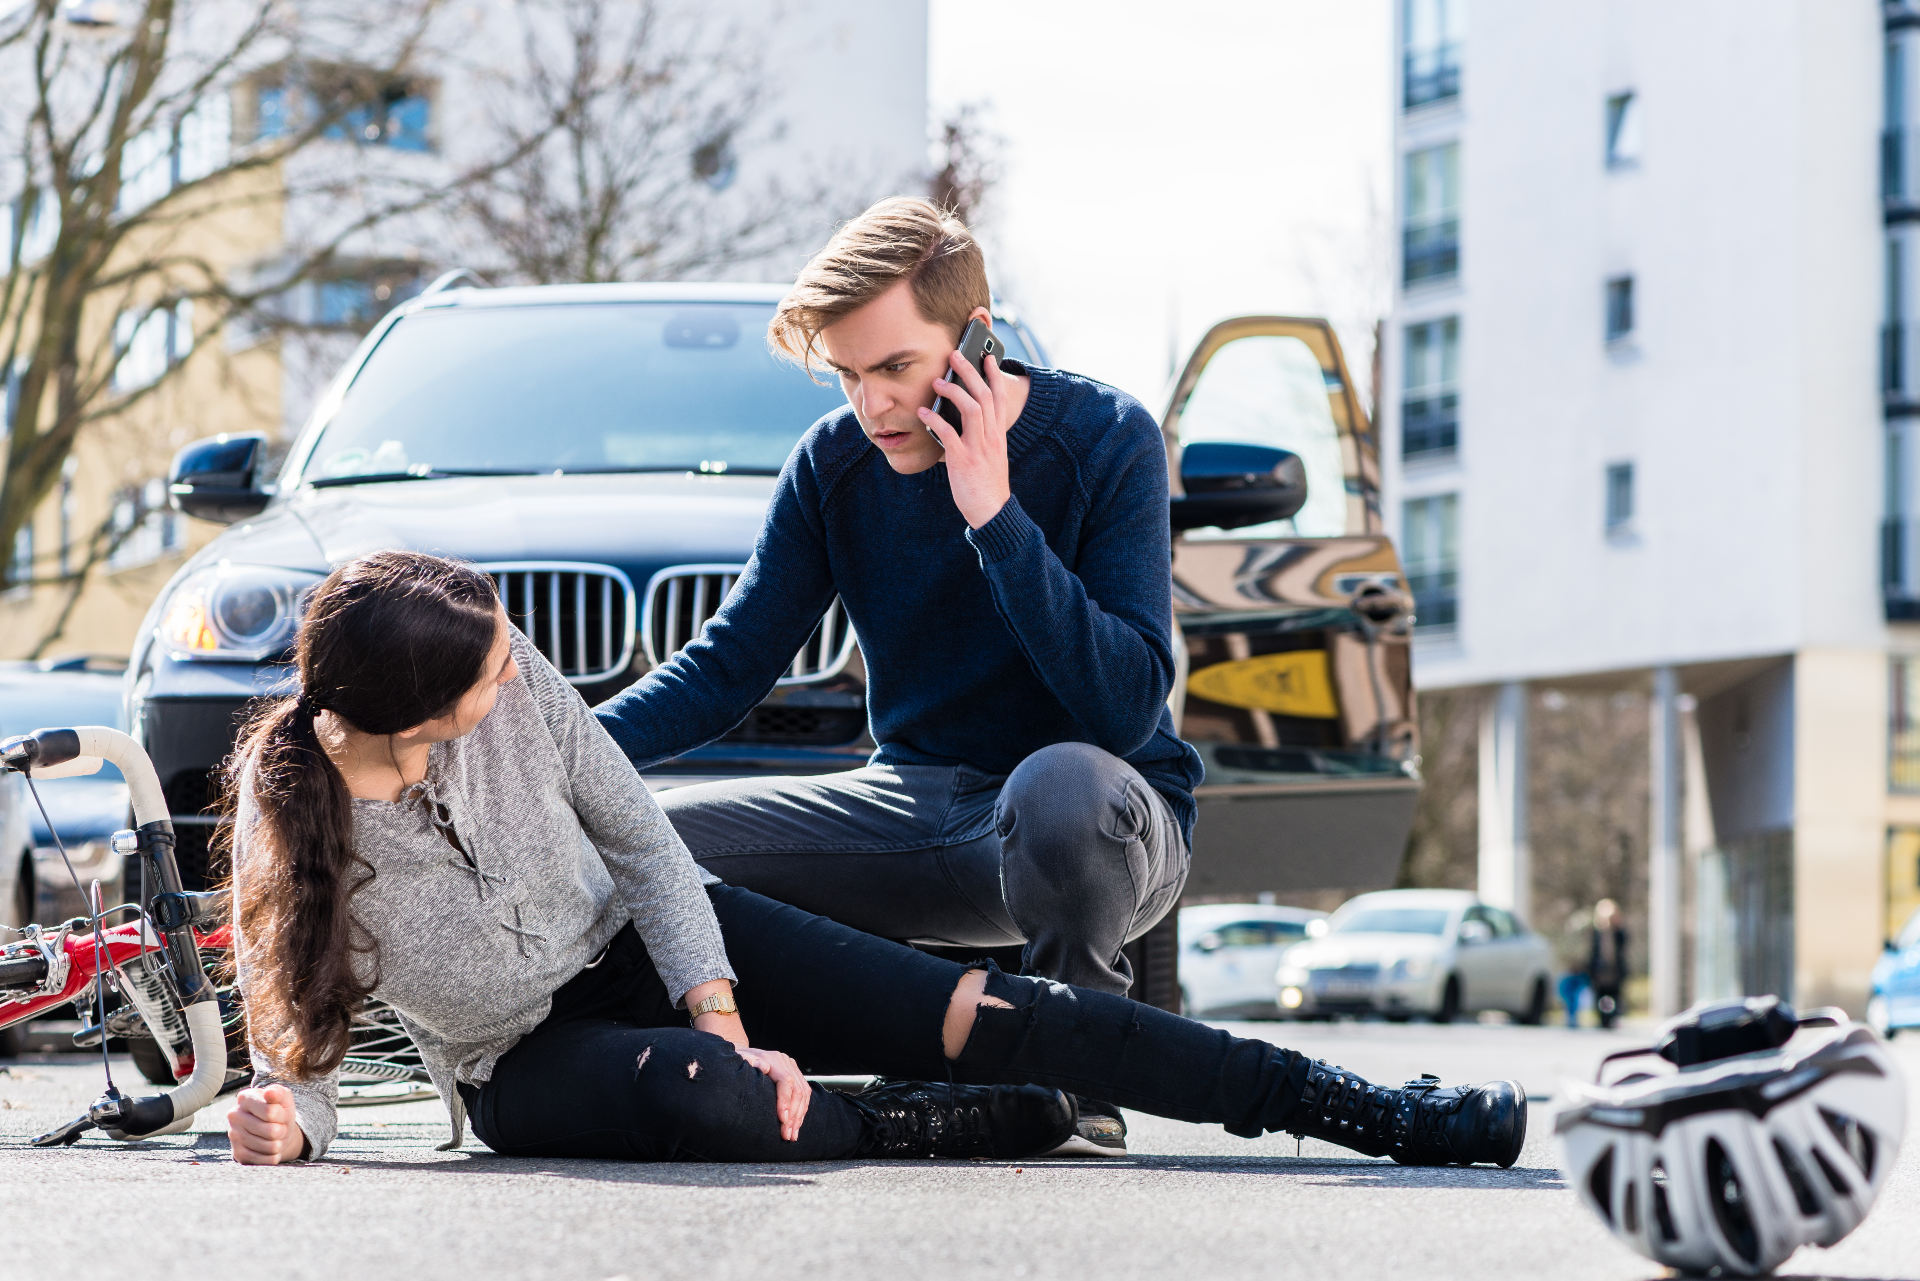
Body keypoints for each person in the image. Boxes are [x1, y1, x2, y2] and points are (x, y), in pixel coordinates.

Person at [223, 551, 1528, 1171]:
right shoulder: (293, 828)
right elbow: (301, 1042)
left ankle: (1365, 1108)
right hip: (522, 1063)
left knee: (1006, 1011)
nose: (514, 678)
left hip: (653, 945)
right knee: (716, 1098)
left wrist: (721, 1005)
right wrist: (291, 1123)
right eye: (488, 674)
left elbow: (646, 845)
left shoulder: (514, 689)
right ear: (410, 705)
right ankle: (932, 1122)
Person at [594, 197, 1201, 1151]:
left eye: (895, 369)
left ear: (977, 339)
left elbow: (1124, 707)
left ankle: (1078, 1070)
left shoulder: (1108, 438)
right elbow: (726, 667)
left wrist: (995, 517)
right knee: (645, 843)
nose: (871, 405)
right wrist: (554, 752)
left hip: (1100, 821)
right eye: (845, 375)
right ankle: (790, 1054)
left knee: (1060, 782)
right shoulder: (834, 464)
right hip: (915, 811)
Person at [1586, 899, 1628, 1030]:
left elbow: (1624, 945)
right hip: (1600, 970)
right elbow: (1592, 951)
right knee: (1601, 995)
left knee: (1614, 995)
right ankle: (1603, 1018)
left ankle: (1612, 1017)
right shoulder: (1596, 932)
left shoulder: (1618, 933)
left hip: (1615, 970)